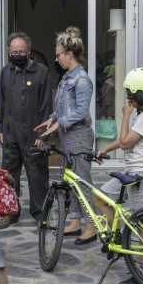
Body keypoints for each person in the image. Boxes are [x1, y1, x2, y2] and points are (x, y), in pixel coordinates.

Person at [92, 67, 143, 284]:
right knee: (100, 197)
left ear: (141, 95)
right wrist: (105, 150)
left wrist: (124, 115)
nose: (128, 98)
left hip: (142, 176)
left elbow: (124, 143)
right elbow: (128, 141)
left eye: (131, 94)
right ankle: (121, 235)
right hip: (132, 173)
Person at [34, 26, 96, 244]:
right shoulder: (68, 77)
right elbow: (63, 107)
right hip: (69, 136)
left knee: (82, 182)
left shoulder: (82, 80)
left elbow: (80, 111)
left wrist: (59, 122)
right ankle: (76, 221)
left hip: (79, 137)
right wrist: (52, 118)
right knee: (71, 183)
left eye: (59, 54)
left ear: (69, 55)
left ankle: (92, 225)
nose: (56, 58)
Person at [0, 31, 51, 229]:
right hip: (10, 132)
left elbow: (46, 105)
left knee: (37, 175)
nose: (17, 54)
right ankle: (10, 212)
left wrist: (42, 134)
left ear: (28, 51)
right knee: (9, 175)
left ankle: (40, 214)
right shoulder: (5, 71)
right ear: (9, 52)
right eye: (13, 51)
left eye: (21, 51)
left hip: (33, 130)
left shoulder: (41, 71)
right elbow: (1, 102)